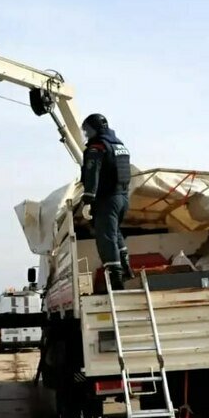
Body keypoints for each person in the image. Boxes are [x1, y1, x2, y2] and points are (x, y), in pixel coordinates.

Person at [80, 113, 135, 290]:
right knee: (115, 233)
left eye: (87, 130)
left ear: (94, 128)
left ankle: (116, 279)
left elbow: (92, 173)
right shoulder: (120, 145)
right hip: (123, 198)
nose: (86, 134)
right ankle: (126, 269)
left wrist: (88, 198)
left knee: (105, 237)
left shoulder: (97, 147)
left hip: (107, 199)